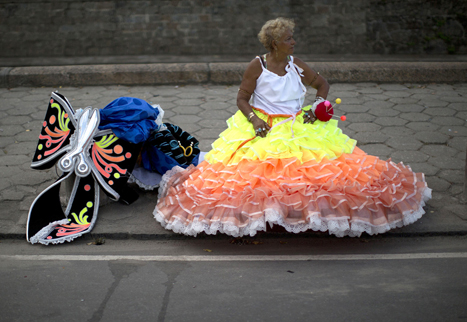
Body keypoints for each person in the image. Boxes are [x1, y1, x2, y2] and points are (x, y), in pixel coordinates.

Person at [153, 18, 431, 237]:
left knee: (315, 174)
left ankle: (300, 217)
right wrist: (255, 119)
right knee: (261, 178)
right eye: (289, 38)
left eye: (293, 37)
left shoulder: (296, 65)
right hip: (264, 127)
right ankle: (270, 218)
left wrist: (318, 107)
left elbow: (323, 85)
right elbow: (241, 98)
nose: (294, 42)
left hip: (298, 125)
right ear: (275, 43)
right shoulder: (257, 66)